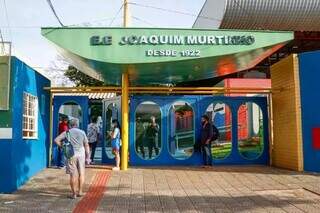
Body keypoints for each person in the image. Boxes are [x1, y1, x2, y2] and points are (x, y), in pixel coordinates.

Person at [54, 118, 91, 199]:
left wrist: (63, 147)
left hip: (70, 154)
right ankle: (80, 191)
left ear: (69, 125)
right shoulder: (82, 132)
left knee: (72, 175)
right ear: (77, 124)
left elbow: (56, 140)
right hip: (81, 154)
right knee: (81, 173)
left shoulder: (67, 132)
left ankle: (74, 194)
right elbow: (86, 145)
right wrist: (88, 157)